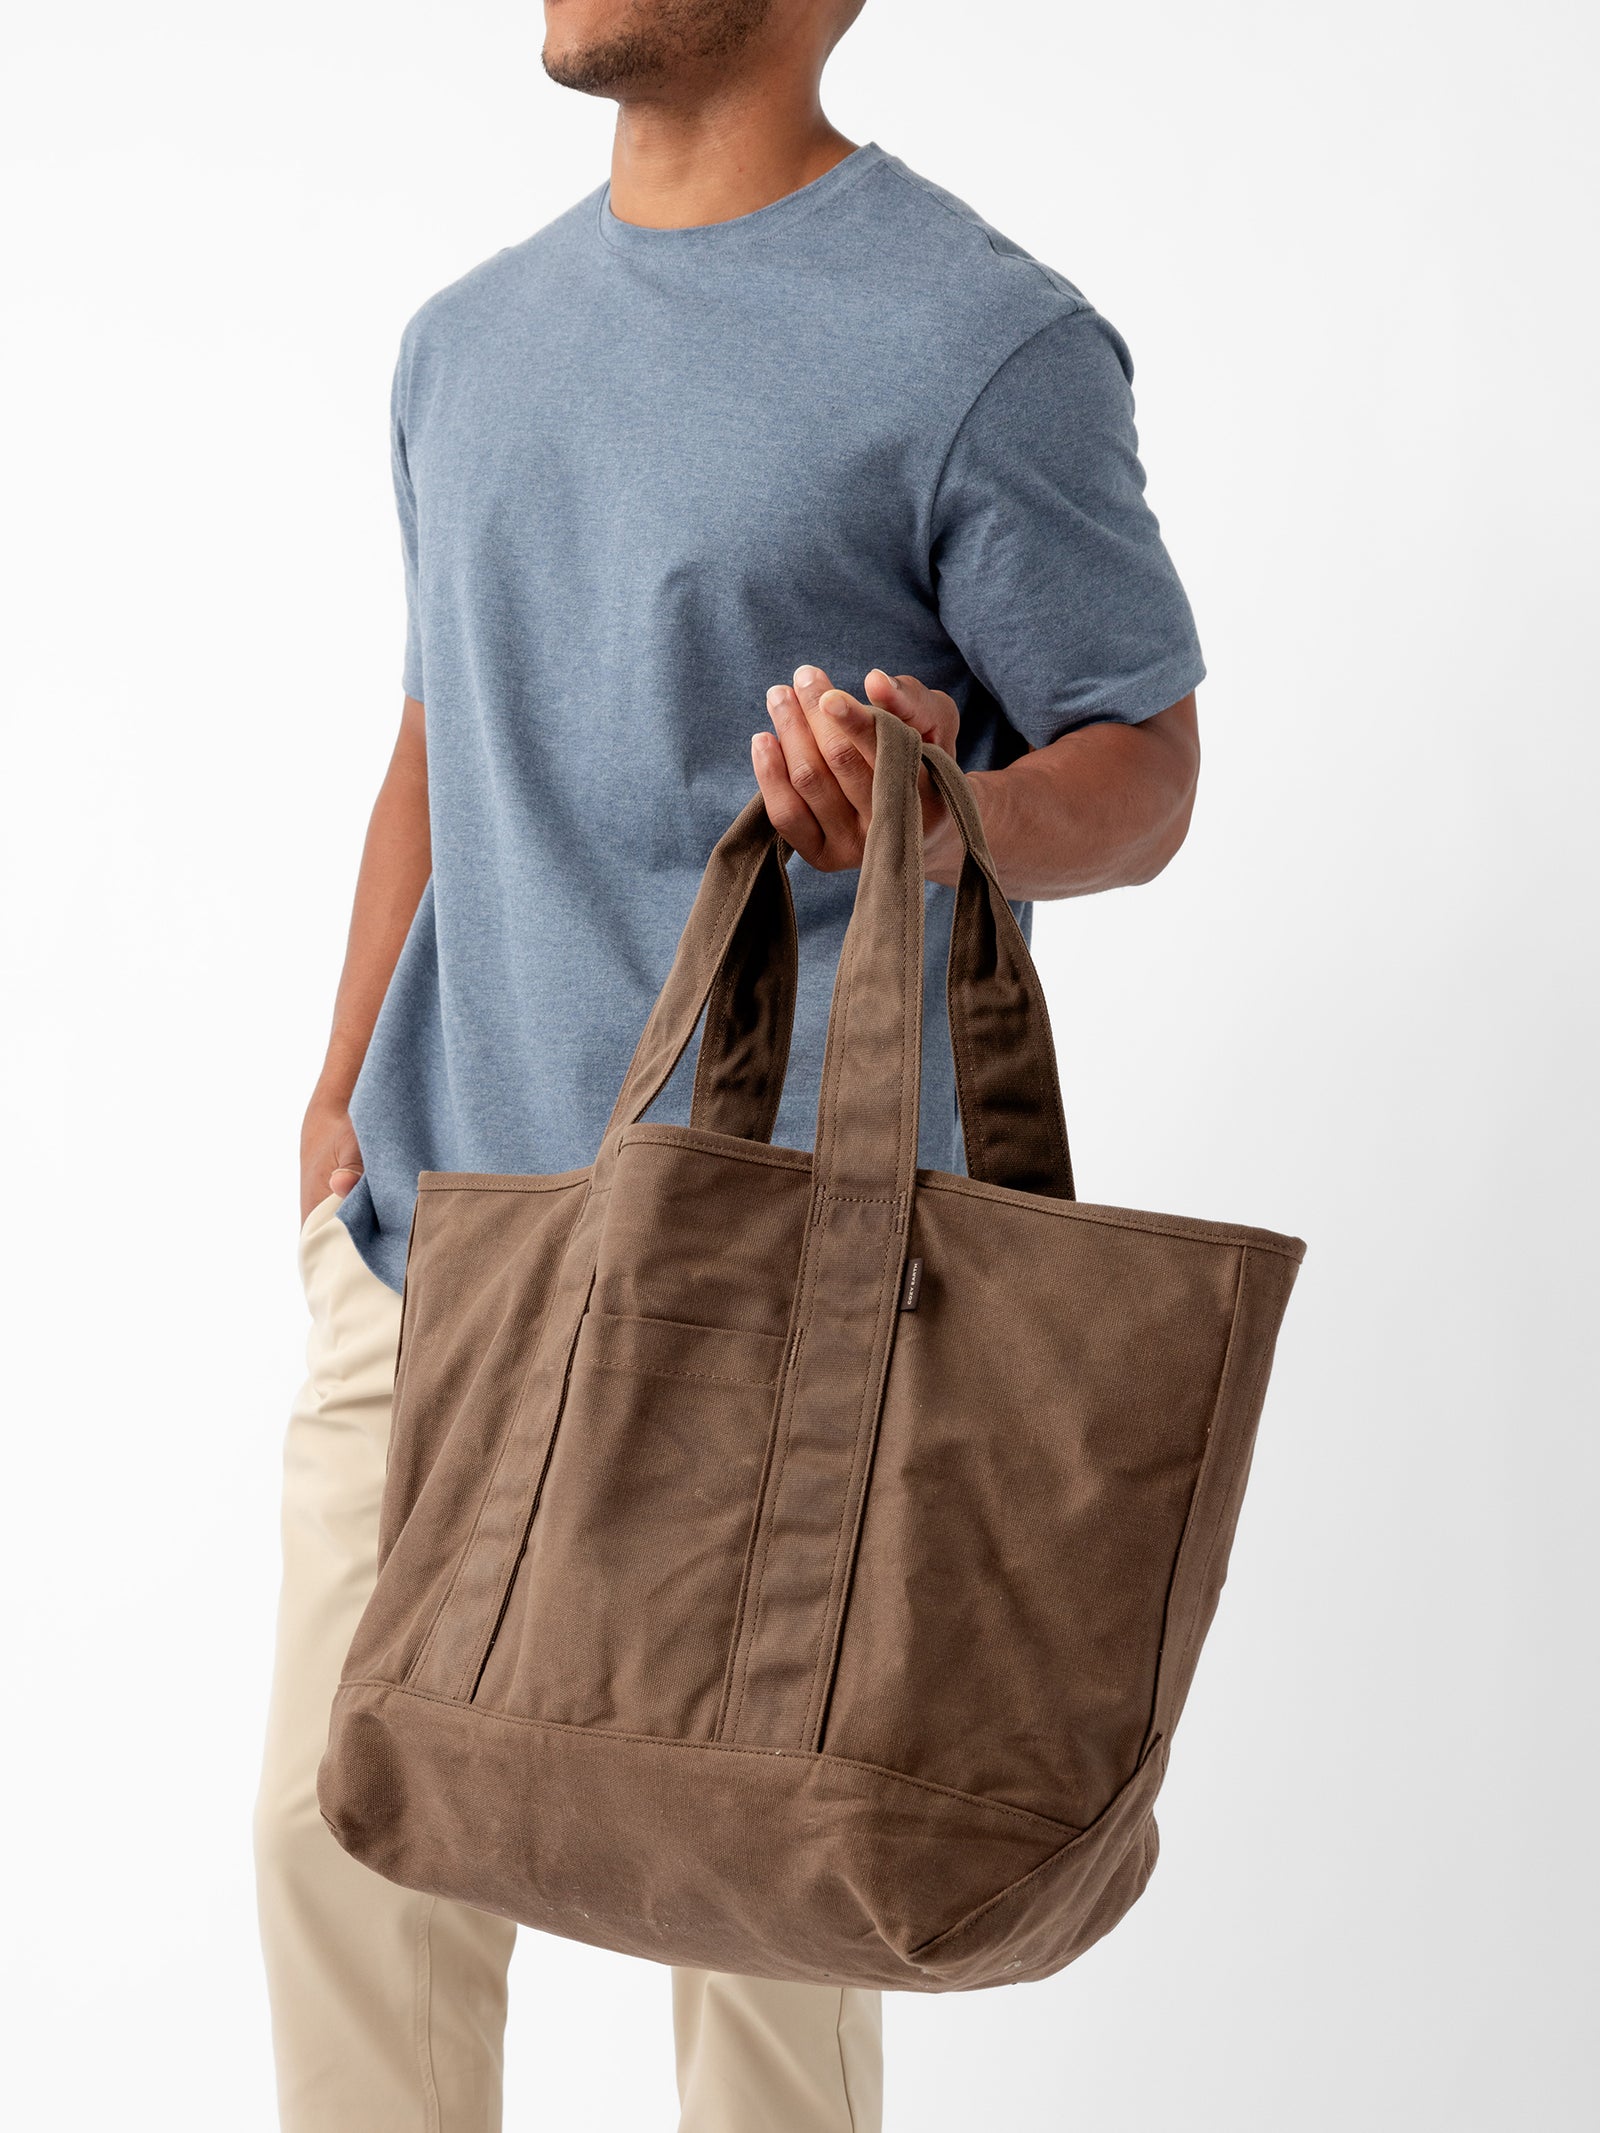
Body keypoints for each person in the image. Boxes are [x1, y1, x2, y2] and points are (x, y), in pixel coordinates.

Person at [252, 1, 1206, 2126]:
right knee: (341, 1841)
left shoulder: (981, 344)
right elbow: (438, 731)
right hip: (434, 1237)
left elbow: (1140, 773)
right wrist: (334, 1095)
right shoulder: (460, 343)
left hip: (781, 1277)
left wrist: (941, 805)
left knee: (758, 1904)